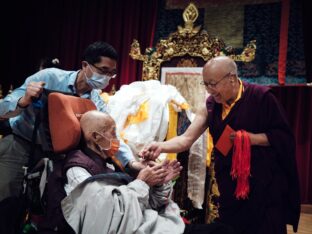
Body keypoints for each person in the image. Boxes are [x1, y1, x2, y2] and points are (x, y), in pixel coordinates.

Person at [140, 56, 301, 234]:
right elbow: (186, 139)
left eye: (213, 84)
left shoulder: (261, 97)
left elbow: (283, 137)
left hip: (263, 184)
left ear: (231, 78)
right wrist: (160, 146)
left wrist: (250, 138)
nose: (210, 90)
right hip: (230, 185)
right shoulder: (210, 105)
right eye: (205, 84)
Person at [39, 110, 233, 234]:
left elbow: (146, 203)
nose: (117, 139)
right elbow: (105, 218)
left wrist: (159, 182)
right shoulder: (77, 169)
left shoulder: (107, 163)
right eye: (113, 133)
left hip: (147, 222)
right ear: (96, 137)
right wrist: (141, 183)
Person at [0, 41, 138, 202]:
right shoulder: (49, 77)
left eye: (111, 73)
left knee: (42, 207)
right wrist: (24, 100)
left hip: (55, 157)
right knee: (6, 200)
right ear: (85, 65)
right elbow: (3, 108)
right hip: (20, 145)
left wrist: (132, 162)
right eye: (103, 70)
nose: (106, 77)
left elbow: (109, 136)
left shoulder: (95, 101)